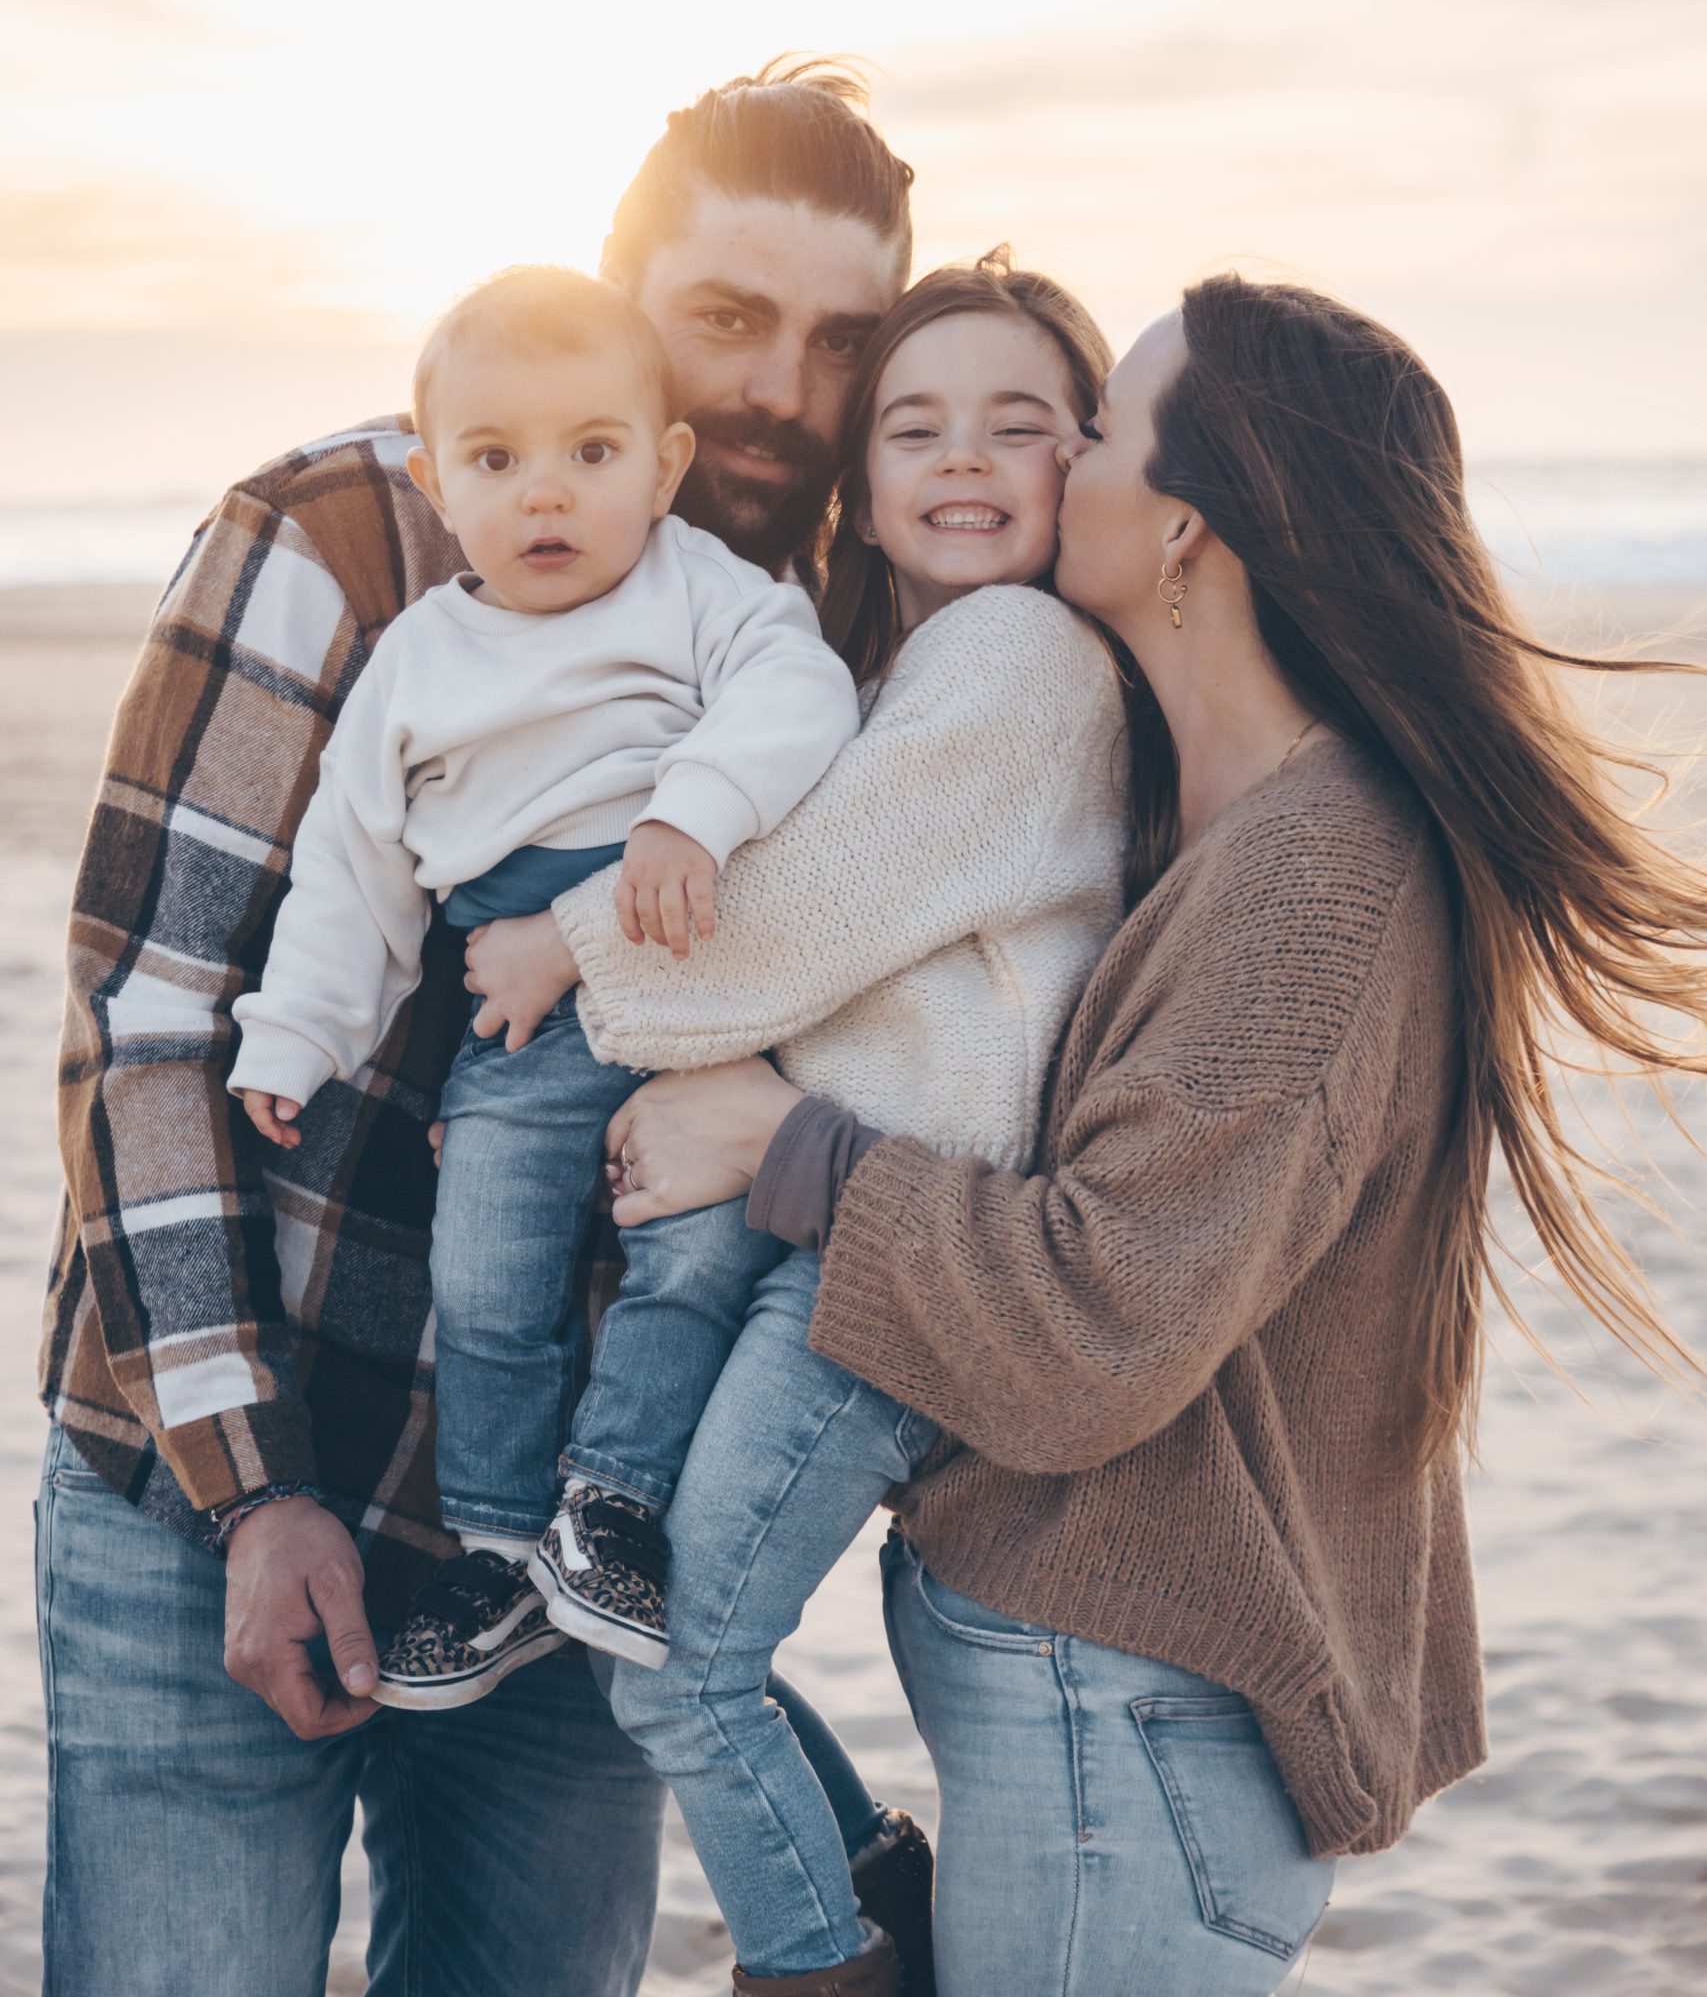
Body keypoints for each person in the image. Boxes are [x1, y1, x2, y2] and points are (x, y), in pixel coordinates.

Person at [590, 275, 1707, 1997]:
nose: (1059, 458)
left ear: (1183, 525)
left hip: (1131, 1739)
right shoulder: (1178, 809)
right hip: (1088, 1718)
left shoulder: (1321, 878)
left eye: (1094, 426)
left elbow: (1095, 1325)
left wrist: (785, 1144)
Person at [38, 60, 914, 1997]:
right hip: (223, 1486)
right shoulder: (349, 533)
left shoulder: (830, 623)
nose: (780, 381)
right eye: (724, 317)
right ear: (614, 284)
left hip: (556, 1562)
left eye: (836, 337)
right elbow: (152, 1016)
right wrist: (253, 1487)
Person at [462, 254, 1129, 1995]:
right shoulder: (901, 665)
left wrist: (560, 952)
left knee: (676, 1660)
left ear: (1091, 457)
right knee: (643, 1631)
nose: (964, 458)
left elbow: (797, 916)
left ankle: (823, 1967)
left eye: (1018, 425)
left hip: (887, 1261)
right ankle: (868, 1898)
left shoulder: (1020, 653)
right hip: (814, 1229)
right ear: (863, 472)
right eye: (916, 425)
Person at [230, 265, 860, 1697]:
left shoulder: (707, 590)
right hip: (513, 1020)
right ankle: (503, 1546)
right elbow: (354, 868)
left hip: (694, 977)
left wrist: (688, 809)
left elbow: (798, 694)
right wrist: (296, 1033)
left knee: (691, 1259)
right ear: (435, 474)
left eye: (593, 453)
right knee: (487, 1273)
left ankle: (614, 1506)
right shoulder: (414, 661)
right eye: (499, 461)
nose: (549, 497)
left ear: (665, 465)